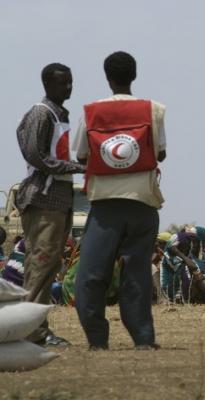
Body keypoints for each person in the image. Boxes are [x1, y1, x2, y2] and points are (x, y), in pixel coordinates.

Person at [73, 51, 166, 350]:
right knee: (136, 275)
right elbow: (160, 153)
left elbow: (81, 155)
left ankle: (98, 341)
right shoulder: (154, 110)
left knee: (91, 275)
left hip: (105, 205)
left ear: (107, 78)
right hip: (143, 203)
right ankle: (143, 339)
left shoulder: (91, 112)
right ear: (134, 76)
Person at [16, 63, 86, 346]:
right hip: (43, 199)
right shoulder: (41, 113)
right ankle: (30, 331)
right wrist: (76, 167)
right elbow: (36, 155)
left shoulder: (60, 116)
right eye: (62, 84)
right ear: (47, 85)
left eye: (70, 82)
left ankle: (36, 329)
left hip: (59, 200)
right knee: (40, 264)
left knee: (47, 267)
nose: (68, 88)